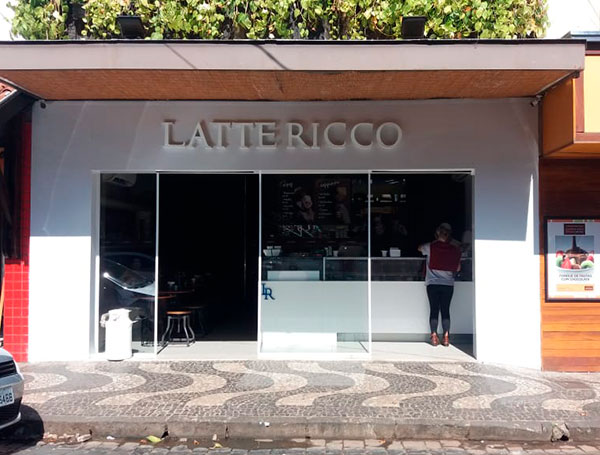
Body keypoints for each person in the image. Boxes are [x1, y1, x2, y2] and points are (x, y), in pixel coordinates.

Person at [417, 222, 462, 347]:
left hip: (433, 284)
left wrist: (434, 241)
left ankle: (434, 336)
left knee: (434, 310)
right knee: (445, 310)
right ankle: (446, 337)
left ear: (437, 233)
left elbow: (419, 248)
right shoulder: (454, 249)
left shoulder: (430, 247)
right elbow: (458, 268)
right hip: (448, 285)